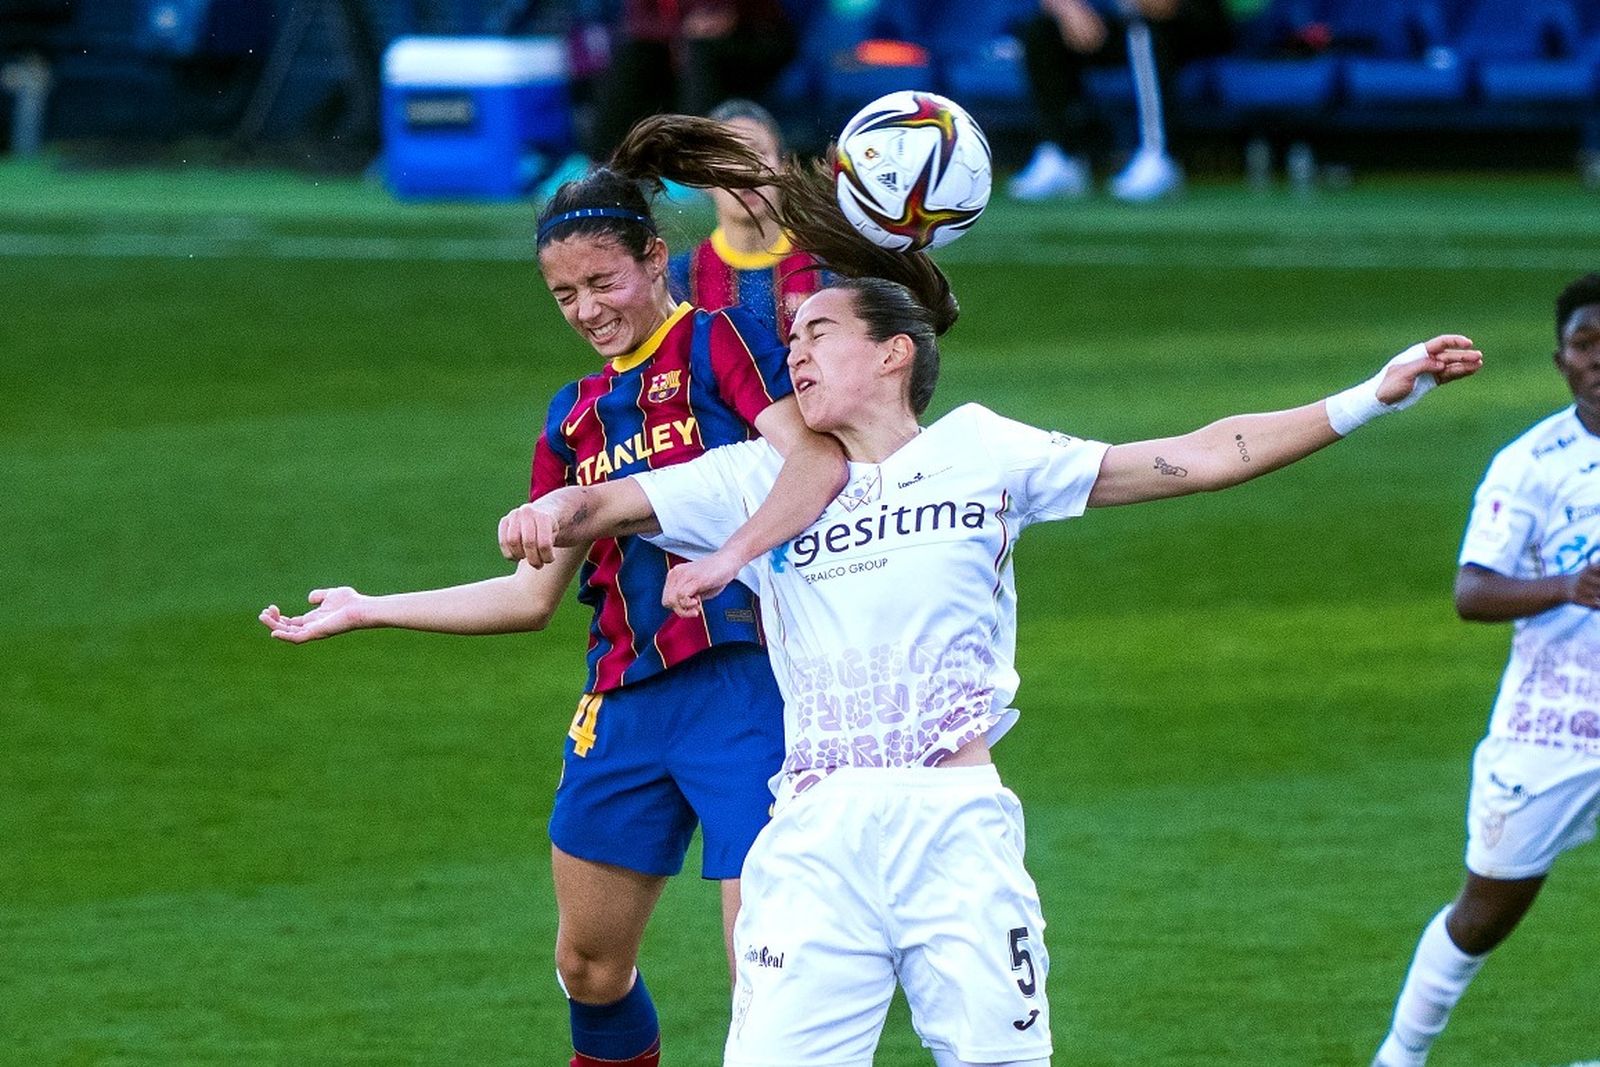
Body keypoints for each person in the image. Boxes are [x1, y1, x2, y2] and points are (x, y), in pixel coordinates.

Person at [496, 127, 1483, 1065]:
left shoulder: (984, 453)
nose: (792, 350)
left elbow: (1193, 456)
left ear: (891, 352)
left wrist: (1369, 396)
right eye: (790, 337)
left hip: (952, 821)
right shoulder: (754, 476)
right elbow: (607, 493)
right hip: (815, 827)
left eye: (819, 331)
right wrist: (547, 510)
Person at [260, 117, 846, 1067]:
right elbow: (528, 598)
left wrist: (730, 555)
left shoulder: (721, 343)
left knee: (766, 975)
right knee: (588, 964)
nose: (585, 307)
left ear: (657, 258)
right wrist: (370, 606)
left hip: (751, 686)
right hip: (624, 698)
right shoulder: (571, 417)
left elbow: (814, 462)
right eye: (564, 293)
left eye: (602, 282)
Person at [1371, 273, 1600, 1067]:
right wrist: (1569, 586)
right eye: (1585, 344)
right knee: (1485, 912)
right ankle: (1399, 1055)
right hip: (1554, 725)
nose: (1599, 359)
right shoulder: (1531, 465)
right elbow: (1473, 592)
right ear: (1560, 360)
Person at [1008, 0, 1233, 202]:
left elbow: (1163, 6)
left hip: (1191, 23)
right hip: (1125, 22)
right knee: (1042, 29)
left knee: (1142, 30)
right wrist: (1070, 10)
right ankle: (1061, 155)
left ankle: (1160, 155)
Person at [668, 98, 825, 346]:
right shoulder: (678, 281)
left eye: (758, 154)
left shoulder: (826, 269)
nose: (745, 170)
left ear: (783, 168)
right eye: (729, 156)